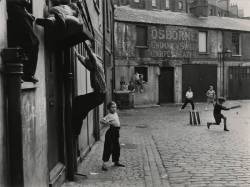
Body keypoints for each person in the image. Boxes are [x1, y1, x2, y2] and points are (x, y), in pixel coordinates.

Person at [72, 40, 106, 136]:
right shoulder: (92, 67)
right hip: (98, 95)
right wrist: (77, 54)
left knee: (78, 102)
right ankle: (76, 129)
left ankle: (75, 132)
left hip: (99, 95)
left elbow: (91, 57)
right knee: (81, 107)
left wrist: (85, 45)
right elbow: (84, 61)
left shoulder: (97, 66)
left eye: (89, 63)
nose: (88, 66)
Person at [100, 101, 125, 171]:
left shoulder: (115, 113)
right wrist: (107, 122)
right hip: (111, 132)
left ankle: (116, 161)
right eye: (112, 107)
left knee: (117, 147)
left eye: (115, 107)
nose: (114, 108)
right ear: (109, 108)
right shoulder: (109, 115)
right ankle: (104, 164)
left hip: (116, 132)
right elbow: (101, 120)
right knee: (108, 147)